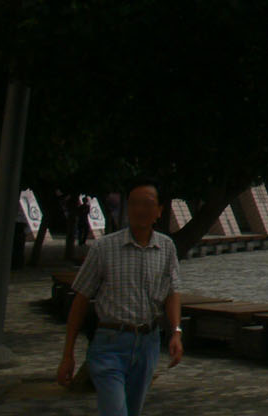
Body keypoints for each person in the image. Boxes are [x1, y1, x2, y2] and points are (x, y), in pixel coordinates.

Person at [57, 178, 182, 416]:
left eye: (147, 204)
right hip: (110, 344)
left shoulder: (167, 248)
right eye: (134, 203)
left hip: (148, 344)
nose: (140, 210)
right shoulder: (104, 248)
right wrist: (68, 354)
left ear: (159, 210)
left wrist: (176, 332)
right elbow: (81, 299)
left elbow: (172, 292)